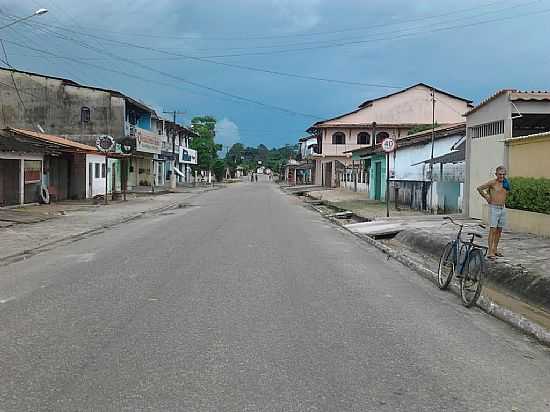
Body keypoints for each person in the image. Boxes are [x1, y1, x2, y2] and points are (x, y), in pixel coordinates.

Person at [477, 166, 510, 259]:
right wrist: (486, 197)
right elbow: (479, 188)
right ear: (496, 174)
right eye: (500, 174)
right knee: (493, 229)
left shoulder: (506, 183)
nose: (502, 176)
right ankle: (490, 251)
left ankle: (495, 249)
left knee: (499, 230)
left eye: (503, 174)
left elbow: (505, 193)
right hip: (494, 208)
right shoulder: (492, 182)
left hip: (502, 208)